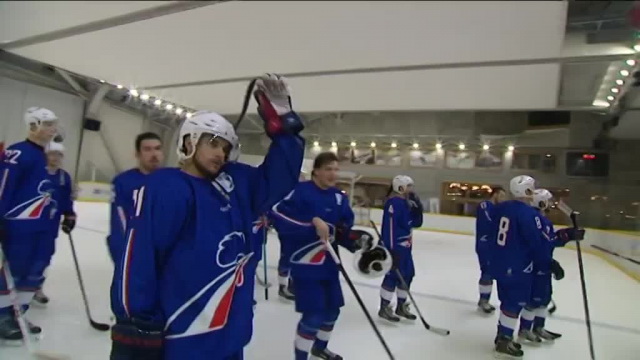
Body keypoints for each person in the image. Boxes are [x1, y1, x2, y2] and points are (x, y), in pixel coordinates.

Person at [109, 74, 305, 360]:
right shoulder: (167, 187)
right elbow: (140, 258)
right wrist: (135, 324)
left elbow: (280, 179)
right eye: (213, 142)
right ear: (188, 143)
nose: (220, 153)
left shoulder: (236, 184)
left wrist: (285, 127)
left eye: (226, 148)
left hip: (230, 334)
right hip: (183, 336)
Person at [270, 151, 364, 360]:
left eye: (336, 169)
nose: (333, 173)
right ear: (316, 171)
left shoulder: (339, 198)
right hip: (305, 264)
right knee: (314, 315)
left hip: (330, 265)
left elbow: (342, 232)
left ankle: (319, 348)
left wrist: (358, 242)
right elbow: (275, 213)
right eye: (328, 169)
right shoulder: (299, 192)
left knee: (332, 312)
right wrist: (311, 223)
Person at [0, 107, 59, 341]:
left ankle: (19, 314)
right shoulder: (17, 153)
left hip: (41, 228)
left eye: (54, 123)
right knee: (12, 271)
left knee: (34, 271)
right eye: (48, 123)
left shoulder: (44, 155)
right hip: (19, 227)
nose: (53, 128)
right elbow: (3, 187)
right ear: (33, 126)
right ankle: (3, 317)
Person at [487, 175, 548, 358]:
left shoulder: (500, 208)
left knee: (507, 302)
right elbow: (536, 243)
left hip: (499, 263)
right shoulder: (529, 214)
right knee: (515, 304)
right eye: (531, 189)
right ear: (527, 191)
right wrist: (546, 262)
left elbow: (491, 233)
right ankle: (504, 340)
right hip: (518, 265)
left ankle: (502, 336)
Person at [518, 188, 584, 344]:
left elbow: (550, 240)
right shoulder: (534, 219)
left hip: (543, 264)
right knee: (534, 300)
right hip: (535, 265)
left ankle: (538, 327)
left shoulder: (542, 220)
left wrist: (568, 234)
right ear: (541, 202)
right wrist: (550, 263)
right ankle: (525, 329)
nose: (550, 204)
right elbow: (539, 245)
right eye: (548, 200)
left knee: (544, 298)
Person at [107, 132, 163, 264]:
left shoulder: (173, 181)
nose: (154, 154)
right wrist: (123, 256)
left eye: (158, 148)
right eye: (147, 149)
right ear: (137, 154)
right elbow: (119, 222)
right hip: (134, 254)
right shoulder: (123, 182)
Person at [32, 141, 76, 306]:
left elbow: (67, 199)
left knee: (44, 257)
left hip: (50, 226)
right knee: (24, 256)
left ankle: (36, 286)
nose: (56, 158)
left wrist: (70, 216)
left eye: (59, 155)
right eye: (52, 154)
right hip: (31, 223)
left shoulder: (64, 177)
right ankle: (13, 288)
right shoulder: (36, 173)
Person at [378, 175, 423, 323]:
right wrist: (390, 250)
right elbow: (389, 228)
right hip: (395, 247)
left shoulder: (407, 203)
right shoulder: (394, 203)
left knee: (408, 274)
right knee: (392, 276)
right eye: (409, 186)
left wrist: (418, 209)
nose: (411, 189)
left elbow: (416, 223)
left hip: (406, 247)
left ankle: (401, 306)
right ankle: (384, 307)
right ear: (401, 187)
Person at [271, 172, 307, 301]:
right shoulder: (284, 193)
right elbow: (275, 209)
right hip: (287, 230)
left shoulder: (302, 193)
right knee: (287, 256)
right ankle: (283, 286)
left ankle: (293, 285)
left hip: (300, 230)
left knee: (299, 257)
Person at [475, 186, 506, 314]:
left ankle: (485, 299)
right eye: (502, 195)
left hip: (494, 246)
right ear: (495, 194)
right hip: (484, 245)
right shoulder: (485, 205)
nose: (503, 199)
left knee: (493, 272)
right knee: (487, 272)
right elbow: (489, 223)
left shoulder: (498, 209)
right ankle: (483, 300)